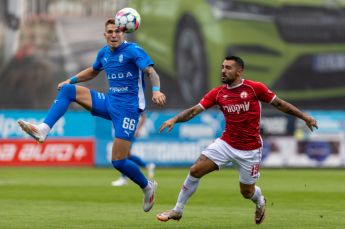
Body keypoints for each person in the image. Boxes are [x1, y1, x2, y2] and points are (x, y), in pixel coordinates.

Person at [17, 18, 166, 212]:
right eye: (110, 32)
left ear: (123, 33)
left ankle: (147, 186)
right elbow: (93, 72)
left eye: (117, 31)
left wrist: (156, 90)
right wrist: (69, 79)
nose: (114, 35)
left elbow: (151, 72)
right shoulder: (104, 53)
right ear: (105, 35)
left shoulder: (133, 50)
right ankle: (43, 130)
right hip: (110, 102)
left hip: (128, 110)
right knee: (69, 90)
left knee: (118, 161)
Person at [156, 56, 318, 224]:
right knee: (196, 170)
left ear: (239, 71)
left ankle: (260, 201)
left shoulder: (255, 88)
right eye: (222, 67)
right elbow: (194, 111)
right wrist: (174, 119)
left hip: (250, 149)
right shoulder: (218, 93)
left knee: (246, 192)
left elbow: (280, 104)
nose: (223, 71)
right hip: (226, 143)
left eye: (228, 68)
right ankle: (177, 210)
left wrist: (304, 117)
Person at [111, 113, 156, 186]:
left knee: (124, 155)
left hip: (129, 131)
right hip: (122, 131)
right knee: (127, 155)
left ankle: (123, 178)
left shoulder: (134, 102)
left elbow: (143, 116)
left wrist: (138, 129)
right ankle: (147, 166)